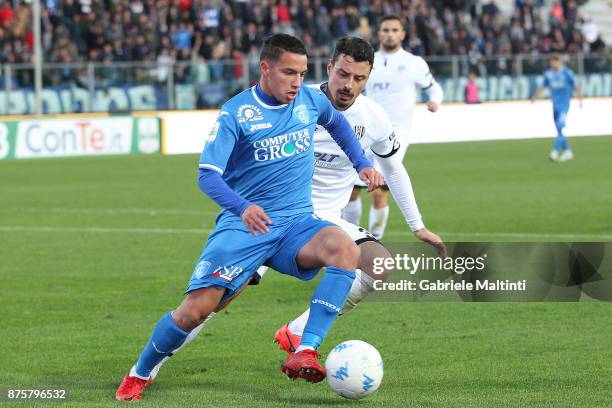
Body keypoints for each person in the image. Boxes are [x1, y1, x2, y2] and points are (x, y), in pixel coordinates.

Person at [147, 36, 447, 375]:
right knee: (214, 302)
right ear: (330, 68)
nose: (349, 85)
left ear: (368, 79)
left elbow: (393, 167)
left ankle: (297, 333)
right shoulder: (300, 101)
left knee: (378, 264)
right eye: (343, 75)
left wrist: (417, 225)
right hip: (273, 217)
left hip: (321, 222)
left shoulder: (374, 117)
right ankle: (154, 362)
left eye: (359, 79)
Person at [115, 33, 384, 401]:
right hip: (247, 227)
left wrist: (362, 164)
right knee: (196, 311)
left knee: (344, 250)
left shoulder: (310, 101)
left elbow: (337, 124)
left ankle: (305, 349)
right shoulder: (236, 113)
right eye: (289, 72)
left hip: (295, 224)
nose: (296, 82)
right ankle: (140, 371)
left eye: (302, 73)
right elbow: (207, 175)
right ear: (265, 68)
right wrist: (242, 207)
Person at [343, 14, 443, 240]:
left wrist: (435, 102)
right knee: (351, 191)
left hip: (395, 135)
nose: (389, 34)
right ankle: (350, 238)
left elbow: (434, 88)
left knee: (379, 192)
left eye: (394, 30)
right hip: (364, 130)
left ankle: (372, 241)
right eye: (385, 30)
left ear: (402, 34)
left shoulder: (414, 63)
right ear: (379, 33)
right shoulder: (369, 61)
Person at [531, 53, 582, 162]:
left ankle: (554, 152)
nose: (554, 63)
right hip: (555, 105)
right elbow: (542, 86)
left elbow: (576, 85)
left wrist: (579, 98)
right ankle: (568, 152)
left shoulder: (567, 73)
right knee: (559, 130)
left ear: (560, 62)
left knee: (560, 125)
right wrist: (534, 97)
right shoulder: (548, 74)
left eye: (556, 61)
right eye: (552, 61)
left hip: (564, 105)